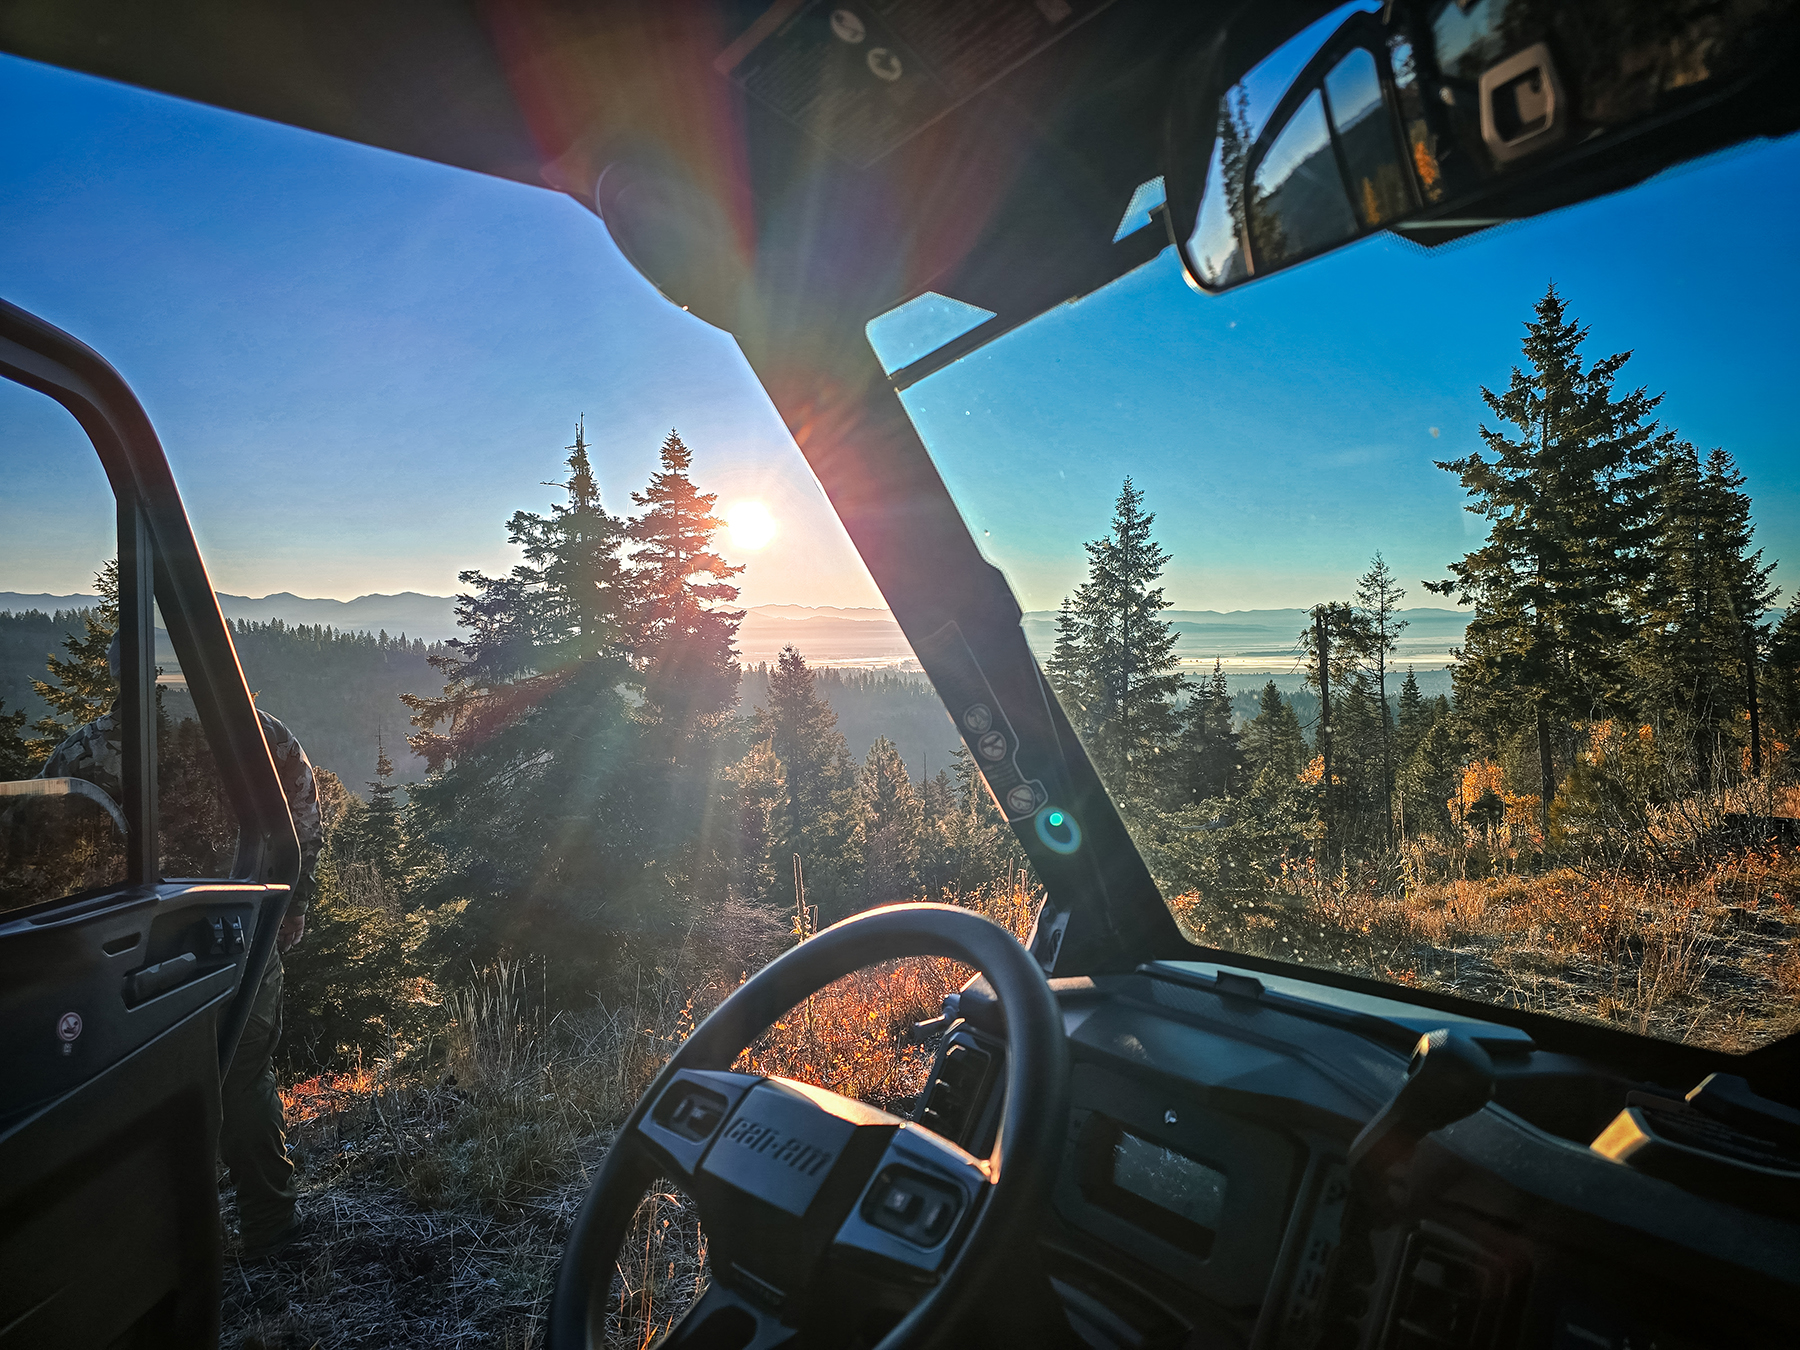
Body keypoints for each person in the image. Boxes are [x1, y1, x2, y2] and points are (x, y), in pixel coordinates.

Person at [38, 635, 320, 1258]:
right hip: (239, 930)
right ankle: (271, 1230)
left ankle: (160, 1251)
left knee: (135, 1087)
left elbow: (44, 854)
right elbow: (300, 824)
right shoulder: (259, 734)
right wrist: (291, 907)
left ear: (119, 676)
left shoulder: (86, 751)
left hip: (129, 951)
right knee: (244, 1076)